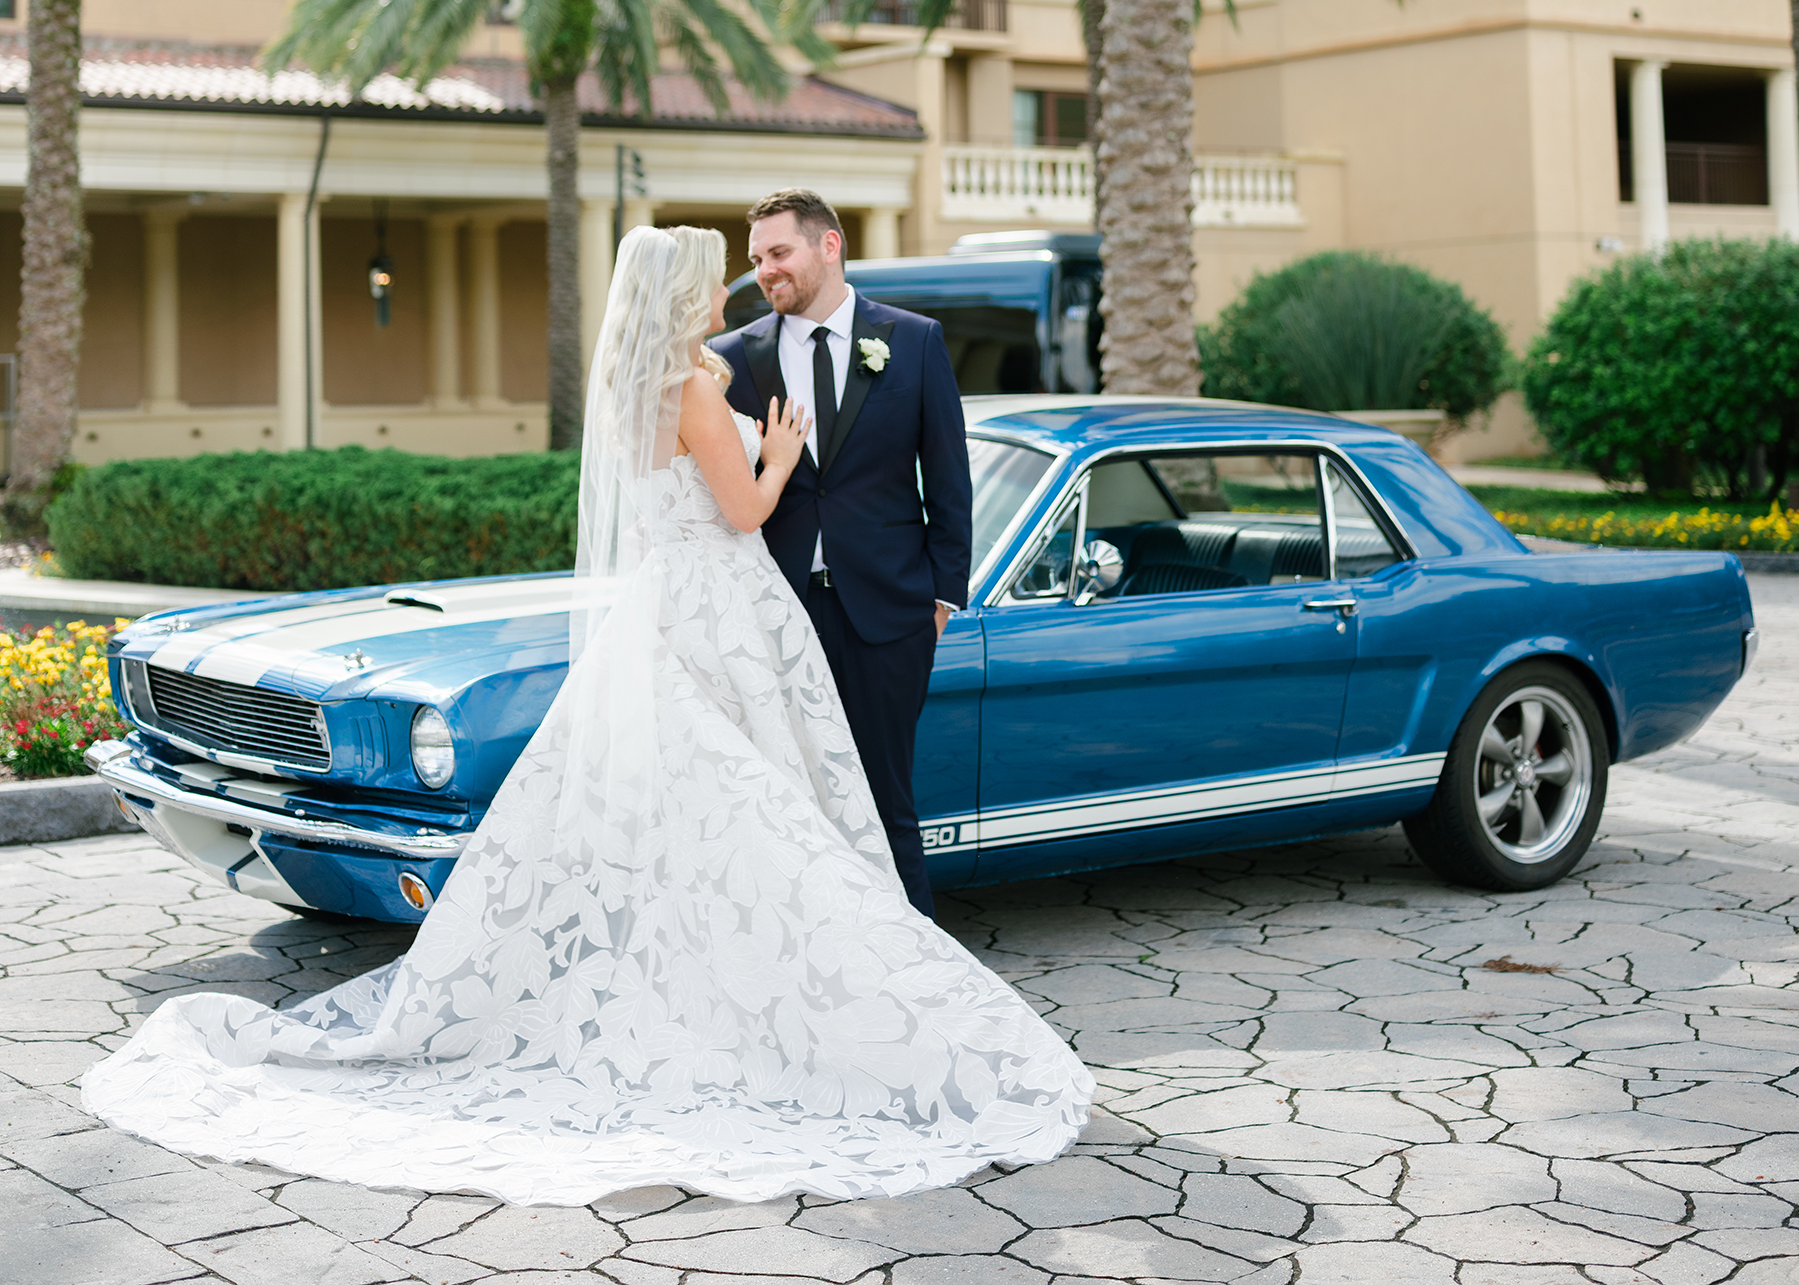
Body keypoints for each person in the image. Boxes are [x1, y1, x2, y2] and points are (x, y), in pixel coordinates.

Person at [80, 226, 1090, 1205]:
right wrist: (778, 452)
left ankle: (707, 994)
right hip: (725, 613)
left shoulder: (634, 384)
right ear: (678, 291)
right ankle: (804, 1004)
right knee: (767, 811)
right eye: (712, 275)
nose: (729, 286)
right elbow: (742, 512)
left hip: (664, 612)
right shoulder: (700, 381)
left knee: (692, 820)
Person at [714, 188, 969, 918]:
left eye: (779, 253)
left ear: (829, 246)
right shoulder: (734, 359)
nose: (764, 271)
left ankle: (918, 959)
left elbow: (948, 479)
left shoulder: (913, 340)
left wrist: (941, 600)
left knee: (887, 796)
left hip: (891, 617)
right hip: (777, 615)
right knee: (794, 797)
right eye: (757, 259)